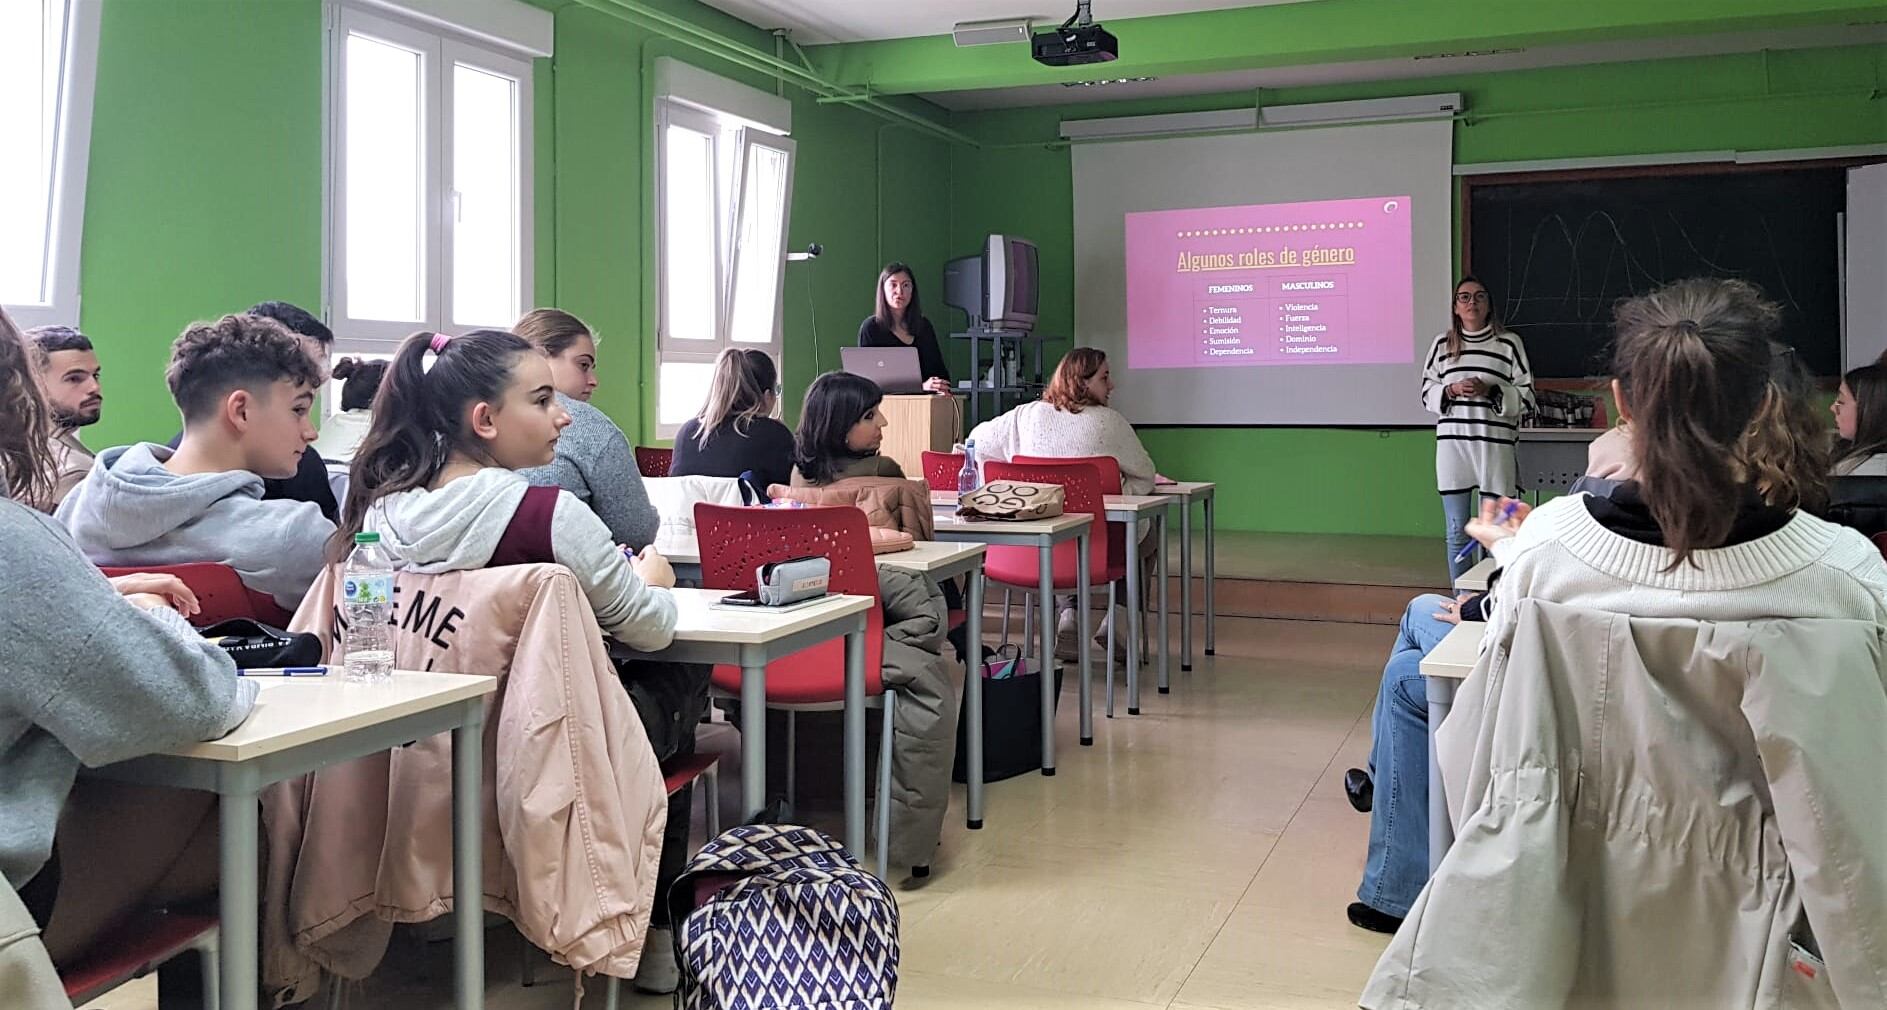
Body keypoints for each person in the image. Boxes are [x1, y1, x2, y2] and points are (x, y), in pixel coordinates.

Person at [1362, 278, 1887, 1009]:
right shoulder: (1845, 580)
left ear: (1619, 401)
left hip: (1556, 929)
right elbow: (1855, 814)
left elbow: (1479, 770)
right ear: (1765, 402)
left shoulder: (1544, 554)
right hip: (1751, 952)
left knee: (1430, 621)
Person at [334, 329, 690, 992]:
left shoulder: (380, 520)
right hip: (538, 761)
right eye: (543, 398)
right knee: (677, 681)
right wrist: (658, 585)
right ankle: (658, 932)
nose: (563, 415)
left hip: (409, 754)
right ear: (485, 420)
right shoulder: (548, 515)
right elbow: (648, 630)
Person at [0, 305, 257, 968]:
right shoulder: (15, 540)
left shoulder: (82, 498)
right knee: (228, 806)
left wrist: (98, 596)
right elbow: (186, 700)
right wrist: (150, 615)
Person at [58, 314, 335, 611]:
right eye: (299, 409)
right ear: (241, 411)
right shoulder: (295, 535)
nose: (310, 431)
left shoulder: (75, 510)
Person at [513, 308, 660, 549]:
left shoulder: (480, 421)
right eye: (583, 365)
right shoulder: (592, 427)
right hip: (571, 580)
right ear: (540, 357)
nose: (593, 380)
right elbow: (635, 533)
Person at [1419, 277, 1535, 580]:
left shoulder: (1509, 343)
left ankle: (1496, 602)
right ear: (1455, 307)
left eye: (1479, 297)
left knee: (1499, 534)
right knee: (1457, 531)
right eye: (1465, 297)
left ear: (1488, 305)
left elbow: (1528, 397)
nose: (1472, 302)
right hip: (1453, 449)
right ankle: (1463, 601)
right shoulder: (1442, 345)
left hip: (1495, 449)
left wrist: (1492, 389)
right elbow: (1425, 391)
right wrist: (1452, 390)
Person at [966, 347, 1156, 494]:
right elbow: (1146, 476)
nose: (1112, 385)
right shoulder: (1111, 422)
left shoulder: (1025, 415)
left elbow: (976, 442)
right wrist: (1116, 496)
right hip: (1104, 535)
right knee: (1151, 530)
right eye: (1104, 378)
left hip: (1037, 535)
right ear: (1082, 382)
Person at [671, 347, 795, 492]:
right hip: (749, 515)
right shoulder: (775, 435)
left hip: (691, 515)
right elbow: (793, 497)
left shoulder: (686, 433)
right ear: (767, 395)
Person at [23, 325, 102, 512]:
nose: (94, 387)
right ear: (34, 384)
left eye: (96, 375)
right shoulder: (73, 471)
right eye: (75, 378)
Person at [792, 371, 906, 485]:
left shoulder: (799, 473)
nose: (883, 422)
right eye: (869, 416)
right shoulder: (882, 469)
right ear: (839, 428)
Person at [857, 263, 951, 394]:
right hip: (884, 405)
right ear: (883, 289)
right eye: (893, 285)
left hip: (924, 404)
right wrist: (920, 386)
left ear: (913, 290)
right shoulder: (871, 328)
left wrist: (939, 385)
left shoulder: (923, 326)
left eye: (906, 285)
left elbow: (940, 373)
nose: (900, 292)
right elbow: (868, 382)